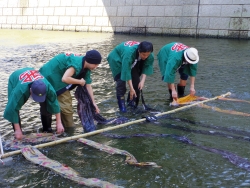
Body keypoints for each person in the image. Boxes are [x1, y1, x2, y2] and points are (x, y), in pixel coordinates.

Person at [39, 50, 102, 127]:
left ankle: (56, 128)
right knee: (65, 105)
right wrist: (79, 81)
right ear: (89, 61)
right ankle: (69, 130)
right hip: (50, 76)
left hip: (53, 75)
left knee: (53, 105)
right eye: (95, 64)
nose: (96, 67)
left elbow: (88, 85)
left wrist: (93, 103)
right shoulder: (77, 64)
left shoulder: (86, 67)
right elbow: (65, 79)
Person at [4, 67, 64, 140]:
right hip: (15, 78)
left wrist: (59, 122)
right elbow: (12, 108)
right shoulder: (20, 91)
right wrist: (17, 130)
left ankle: (47, 129)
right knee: (14, 105)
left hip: (32, 73)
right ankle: (18, 132)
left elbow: (54, 102)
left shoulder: (48, 87)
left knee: (46, 104)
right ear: (30, 90)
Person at [107, 41, 154, 112]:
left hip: (132, 60)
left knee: (137, 83)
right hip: (117, 59)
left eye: (147, 55)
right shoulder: (129, 54)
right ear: (139, 51)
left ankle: (131, 104)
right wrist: (131, 88)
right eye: (143, 55)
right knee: (121, 82)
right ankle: (122, 108)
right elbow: (126, 71)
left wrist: (142, 81)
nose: (145, 57)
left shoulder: (149, 54)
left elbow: (146, 67)